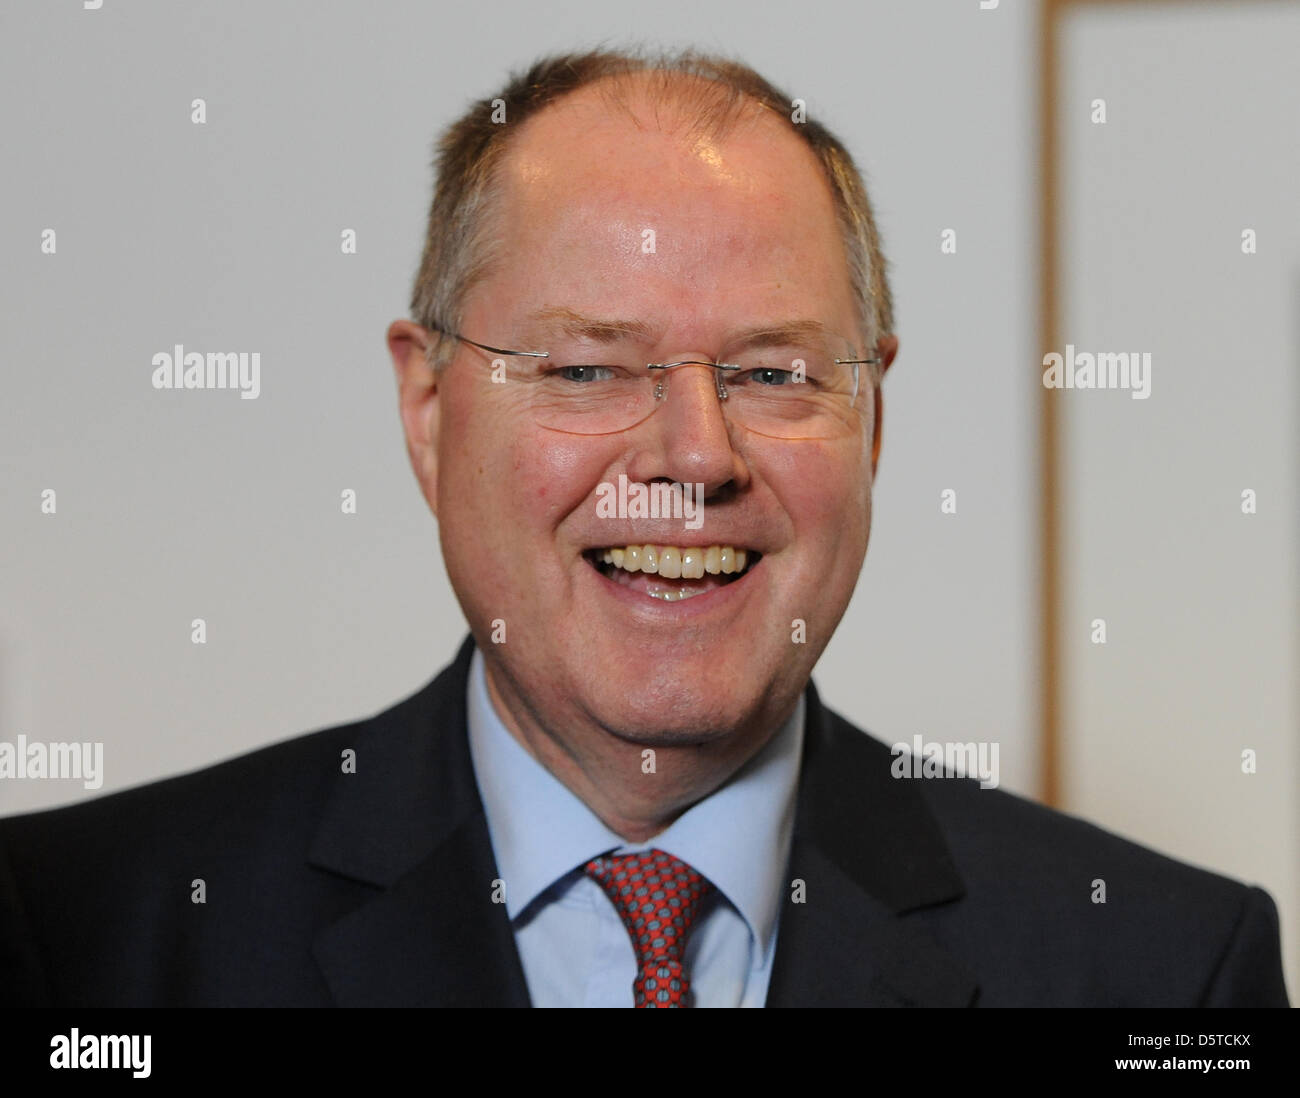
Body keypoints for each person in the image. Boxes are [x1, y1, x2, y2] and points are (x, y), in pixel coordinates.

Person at [0, 48, 1288, 1008]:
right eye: (586, 369)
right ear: (431, 408)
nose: (694, 458)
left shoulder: (1163, 976)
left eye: (775, 372)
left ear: (874, 422)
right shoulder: (85, 939)